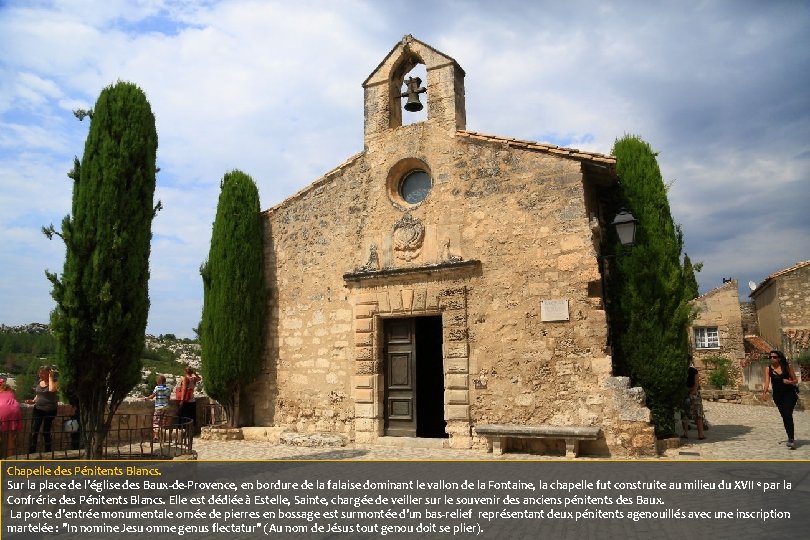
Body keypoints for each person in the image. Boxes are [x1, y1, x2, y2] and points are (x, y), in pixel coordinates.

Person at [761, 350, 799, 449]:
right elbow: (766, 382)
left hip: (790, 394)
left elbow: (795, 380)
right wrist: (764, 393)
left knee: (787, 414)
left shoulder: (787, 367)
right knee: (784, 416)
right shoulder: (768, 369)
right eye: (770, 357)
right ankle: (790, 437)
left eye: (774, 357)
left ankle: (791, 439)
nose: (772, 359)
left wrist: (789, 382)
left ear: (779, 358)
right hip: (778, 396)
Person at [25, 366, 59, 454]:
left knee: (46, 431)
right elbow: (38, 395)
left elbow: (51, 390)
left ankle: (48, 452)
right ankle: (32, 452)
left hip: (49, 410)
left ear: (48, 373)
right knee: (34, 430)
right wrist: (33, 401)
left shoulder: (54, 382)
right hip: (38, 409)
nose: (40, 374)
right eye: (39, 372)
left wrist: (51, 377)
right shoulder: (40, 382)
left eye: (42, 373)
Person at [143, 375, 171, 442]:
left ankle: (156, 436)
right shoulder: (168, 388)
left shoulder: (157, 388)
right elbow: (168, 398)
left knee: (156, 421)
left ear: (158, 381)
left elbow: (152, 396)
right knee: (164, 422)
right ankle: (164, 437)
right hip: (166, 407)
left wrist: (147, 398)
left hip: (158, 407)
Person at [681, 364, 706, 440]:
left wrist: (686, 393)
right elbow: (696, 384)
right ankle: (701, 435)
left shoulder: (681, 371)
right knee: (698, 414)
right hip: (695, 394)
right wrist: (692, 393)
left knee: (685, 414)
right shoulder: (694, 371)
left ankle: (685, 433)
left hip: (684, 393)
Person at [0, 378, 23, 458]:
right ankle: (9, 462)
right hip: (14, 411)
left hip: (2, 410)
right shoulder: (11, 392)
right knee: (11, 437)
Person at [177, 366, 200, 430]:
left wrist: (182, 400)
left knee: (184, 416)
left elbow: (184, 389)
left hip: (186, 400)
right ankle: (191, 430)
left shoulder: (185, 378)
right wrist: (194, 373)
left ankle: (185, 430)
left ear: (185, 371)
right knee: (191, 416)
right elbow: (199, 378)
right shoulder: (193, 378)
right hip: (192, 399)